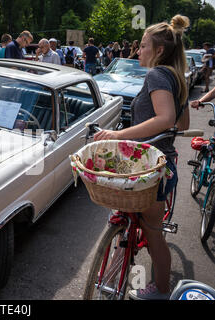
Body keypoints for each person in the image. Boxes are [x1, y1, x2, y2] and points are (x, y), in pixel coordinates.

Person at [93, 15, 191, 300]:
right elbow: (182, 125)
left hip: (150, 166)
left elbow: (167, 118)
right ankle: (142, 280)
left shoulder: (157, 75)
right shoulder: (176, 76)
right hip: (160, 163)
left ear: (159, 50)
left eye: (144, 45)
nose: (138, 50)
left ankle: (158, 291)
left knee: (153, 233)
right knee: (152, 230)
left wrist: (117, 135)